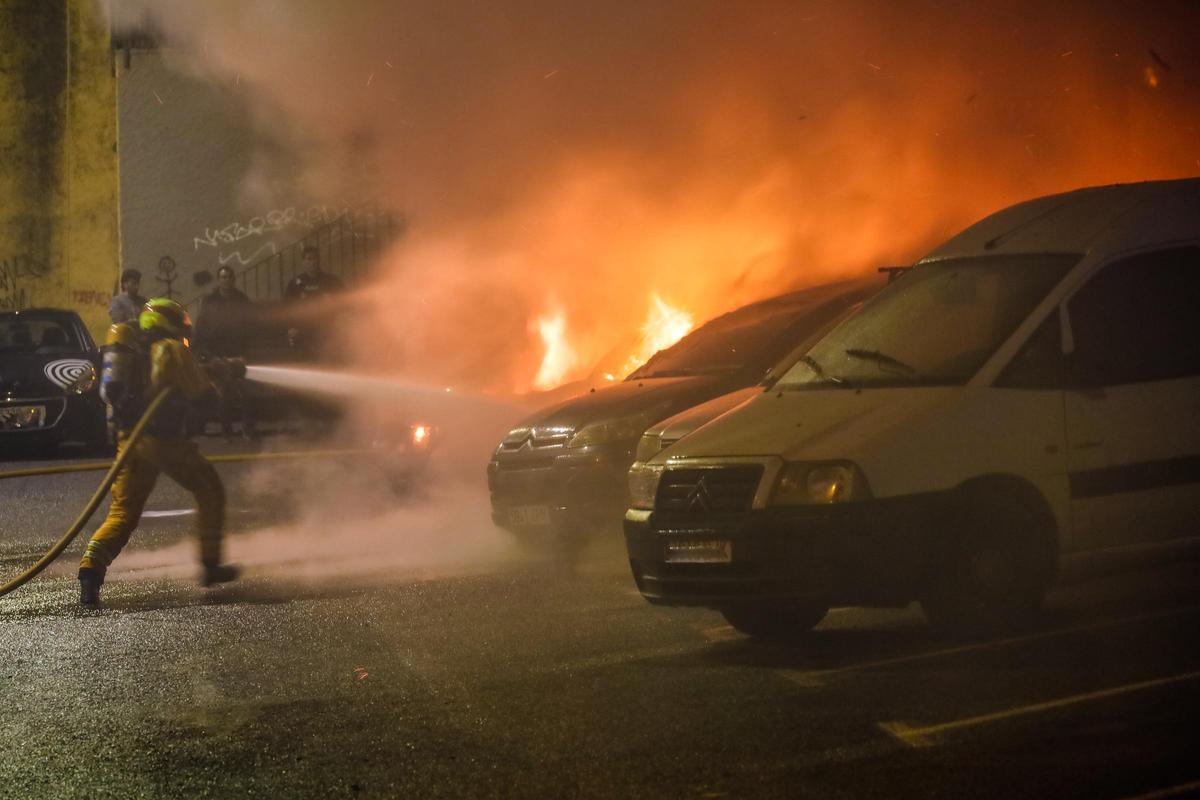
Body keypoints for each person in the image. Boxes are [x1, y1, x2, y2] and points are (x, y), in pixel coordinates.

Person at [78, 297, 240, 607]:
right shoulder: (172, 349)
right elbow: (206, 400)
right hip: (166, 441)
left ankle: (89, 576)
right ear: (172, 323)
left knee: (122, 514)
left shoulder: (133, 348)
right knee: (210, 490)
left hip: (131, 442)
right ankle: (210, 564)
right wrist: (218, 377)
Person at [194, 266, 257, 439]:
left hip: (238, 355)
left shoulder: (242, 300)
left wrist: (244, 355)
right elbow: (201, 330)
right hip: (217, 356)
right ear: (219, 279)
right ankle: (226, 431)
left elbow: (250, 329)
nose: (226, 280)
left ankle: (247, 430)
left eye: (228, 276)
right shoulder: (210, 302)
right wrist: (210, 356)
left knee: (246, 392)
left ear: (233, 279)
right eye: (222, 277)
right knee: (224, 393)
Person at [283, 245, 343, 359]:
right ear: (303, 262)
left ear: (319, 260)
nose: (312, 262)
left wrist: (340, 320)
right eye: (308, 259)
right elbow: (286, 307)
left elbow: (343, 303)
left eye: (315, 258)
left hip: (326, 327)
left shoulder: (331, 281)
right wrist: (290, 327)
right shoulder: (295, 283)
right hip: (303, 328)